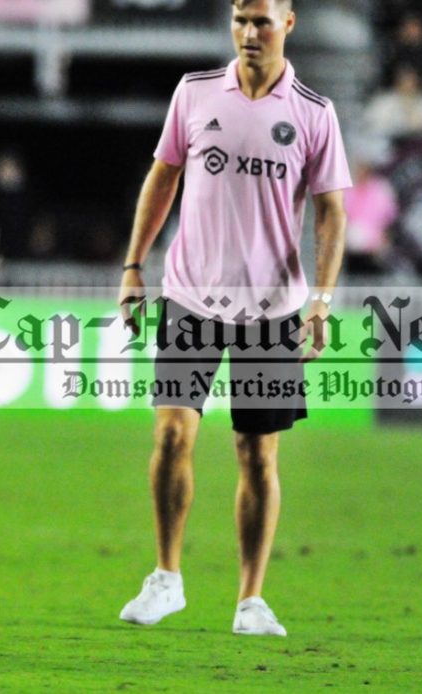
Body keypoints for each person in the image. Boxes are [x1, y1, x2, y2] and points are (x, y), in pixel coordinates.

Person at [115, 0, 350, 637]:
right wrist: (134, 266)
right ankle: (166, 578)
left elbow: (331, 212)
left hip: (272, 309)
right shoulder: (193, 94)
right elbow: (162, 177)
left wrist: (323, 300)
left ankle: (251, 599)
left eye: (262, 21)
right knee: (171, 436)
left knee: (257, 455)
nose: (249, 33)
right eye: (240, 20)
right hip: (190, 298)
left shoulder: (313, 112)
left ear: (288, 23)